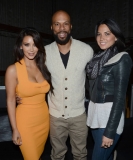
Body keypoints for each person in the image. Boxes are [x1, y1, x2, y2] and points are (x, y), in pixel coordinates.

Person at [44, 10, 93, 160]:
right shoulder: (44, 53)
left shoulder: (86, 50)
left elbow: (95, 80)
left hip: (78, 115)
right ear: (52, 27)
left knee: (80, 154)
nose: (62, 28)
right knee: (57, 154)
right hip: (55, 115)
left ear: (71, 26)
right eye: (57, 24)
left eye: (65, 24)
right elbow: (35, 79)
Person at [86, 18, 132, 160]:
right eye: (99, 34)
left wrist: (110, 132)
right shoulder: (98, 59)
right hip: (94, 116)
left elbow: (119, 99)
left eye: (107, 33)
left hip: (109, 119)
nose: (102, 38)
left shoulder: (122, 59)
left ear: (116, 36)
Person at [5, 27, 53, 160]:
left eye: (35, 45)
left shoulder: (42, 65)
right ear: (21, 46)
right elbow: (9, 101)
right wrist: (14, 129)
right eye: (27, 45)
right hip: (25, 123)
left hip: (43, 120)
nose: (31, 49)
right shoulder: (13, 70)